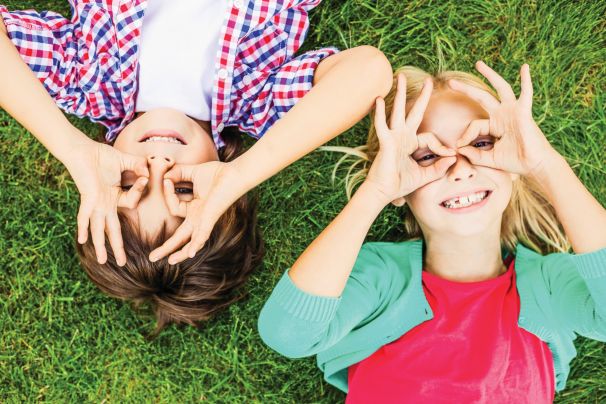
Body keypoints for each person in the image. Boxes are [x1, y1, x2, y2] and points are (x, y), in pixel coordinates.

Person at [0, 0, 392, 332]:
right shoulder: (258, 102)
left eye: (128, 183)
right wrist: (243, 173)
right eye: (182, 188)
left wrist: (71, 148)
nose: (158, 162)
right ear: (221, 193)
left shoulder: (85, 83)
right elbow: (369, 70)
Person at [258, 62, 606, 402]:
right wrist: (376, 192)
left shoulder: (546, 287)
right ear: (399, 184)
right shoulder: (381, 278)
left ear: (514, 164)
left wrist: (545, 164)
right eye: (426, 156)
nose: (459, 169)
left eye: (482, 143)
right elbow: (289, 335)